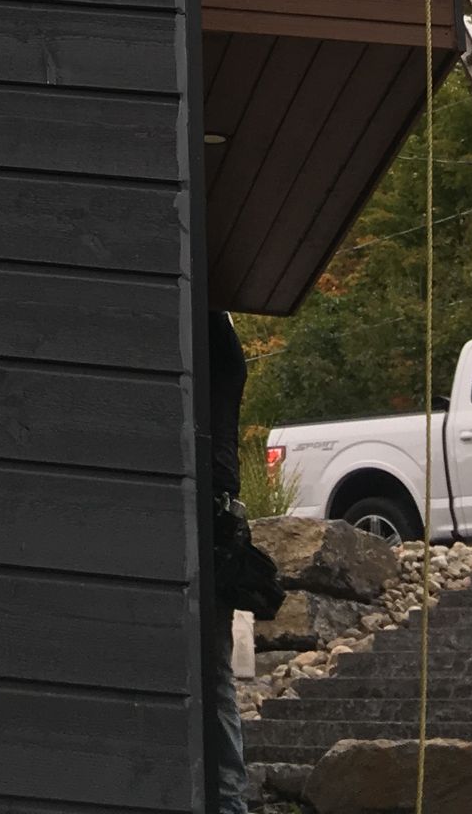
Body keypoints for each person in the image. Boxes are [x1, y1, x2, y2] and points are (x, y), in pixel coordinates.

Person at [207, 311, 283, 813]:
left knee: (214, 681)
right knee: (215, 681)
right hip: (214, 512)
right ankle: (231, 802)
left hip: (209, 518)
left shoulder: (212, 334)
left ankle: (231, 803)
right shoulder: (220, 337)